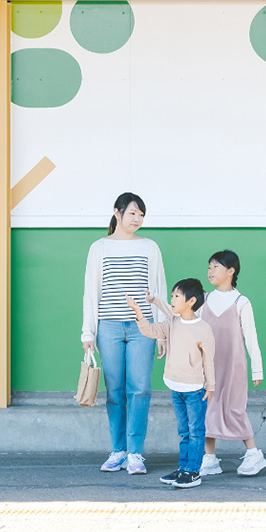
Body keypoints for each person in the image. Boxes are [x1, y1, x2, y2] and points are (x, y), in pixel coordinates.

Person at [81, 192, 167, 475]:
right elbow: (91, 293)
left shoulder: (149, 247)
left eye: (141, 215)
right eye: (132, 213)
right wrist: (88, 333)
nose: (138, 219)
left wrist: (162, 330)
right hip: (109, 326)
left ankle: (136, 454)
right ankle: (118, 451)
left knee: (140, 389)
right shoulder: (99, 248)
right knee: (115, 390)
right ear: (117, 213)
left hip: (143, 327)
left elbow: (159, 291)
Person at [126, 279, 215, 489]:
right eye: (172, 295)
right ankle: (183, 468)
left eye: (177, 296)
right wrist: (139, 311)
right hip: (176, 387)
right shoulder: (172, 323)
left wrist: (210, 386)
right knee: (184, 432)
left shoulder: (203, 329)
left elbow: (209, 360)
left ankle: (193, 471)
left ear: (191, 301)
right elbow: (150, 330)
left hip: (195, 390)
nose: (172, 299)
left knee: (196, 432)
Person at [199, 250, 266, 477]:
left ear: (231, 271)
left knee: (234, 409)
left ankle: (254, 454)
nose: (210, 271)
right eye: (209, 267)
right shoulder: (204, 299)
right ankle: (209, 459)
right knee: (207, 410)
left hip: (233, 367)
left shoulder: (241, 302)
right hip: (208, 367)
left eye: (215, 267)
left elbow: (251, 337)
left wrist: (257, 368)